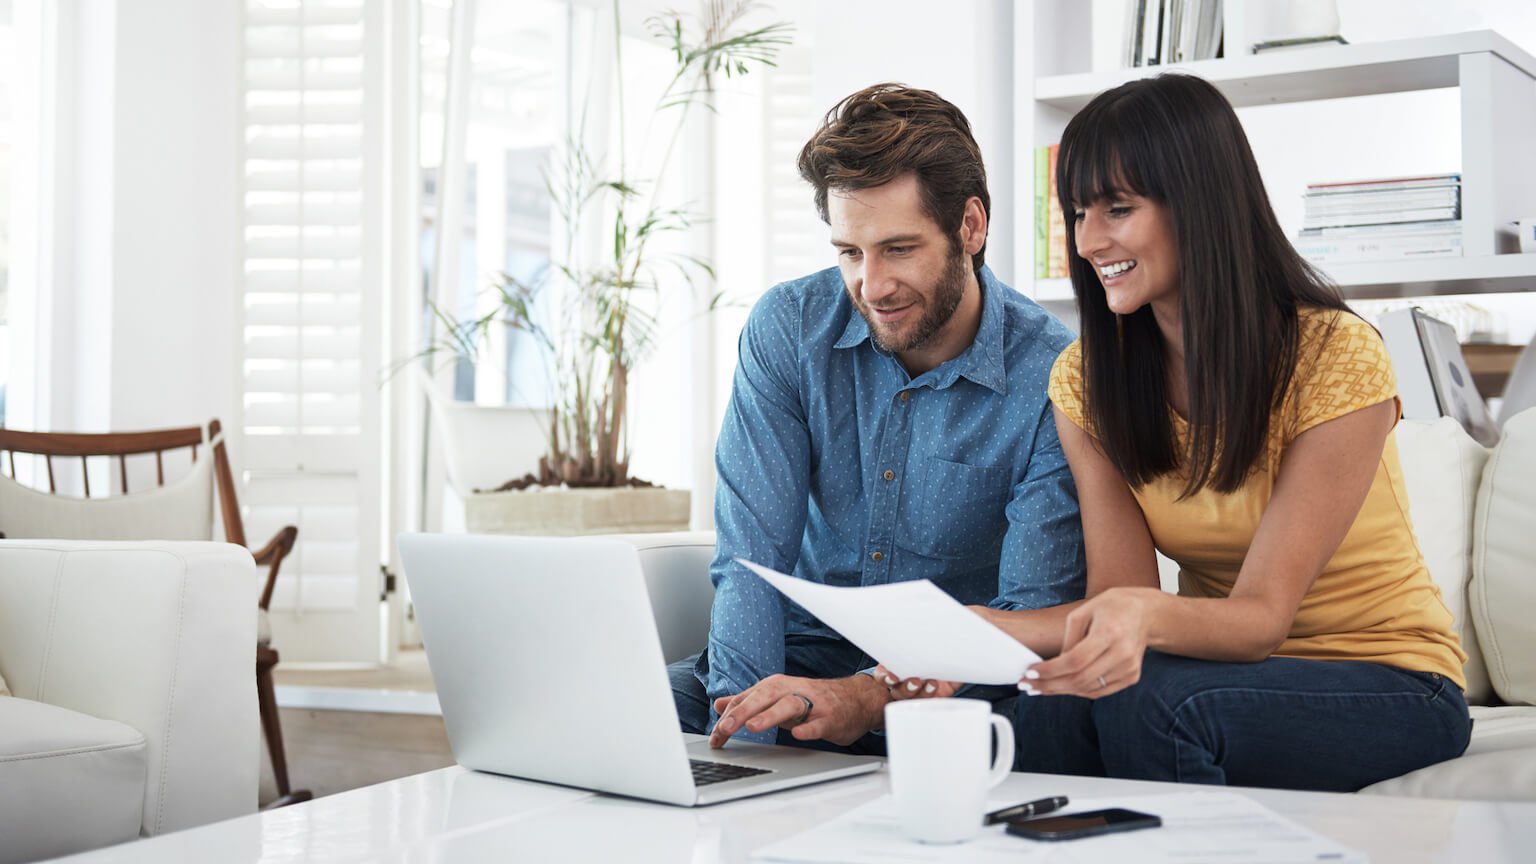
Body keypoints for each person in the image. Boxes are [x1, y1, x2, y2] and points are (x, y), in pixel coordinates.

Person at [889, 73, 1472, 791]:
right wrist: (973, 630)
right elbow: (1119, 599)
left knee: (1155, 707)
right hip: (1224, 674)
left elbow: (1259, 620)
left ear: (1201, 206)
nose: (1089, 239)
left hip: (1389, 679)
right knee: (1039, 714)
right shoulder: (1087, 381)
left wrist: (1128, 617)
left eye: (1118, 208)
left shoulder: (1335, 354)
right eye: (1078, 212)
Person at [667, 82, 1087, 752]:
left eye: (899, 248)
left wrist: (867, 695)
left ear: (970, 227)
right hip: (795, 664)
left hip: (951, 690)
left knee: (1050, 726)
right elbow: (750, 559)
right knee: (633, 712)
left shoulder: (1053, 376)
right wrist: (743, 736)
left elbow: (1026, 611)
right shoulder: (790, 329)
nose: (871, 285)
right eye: (849, 252)